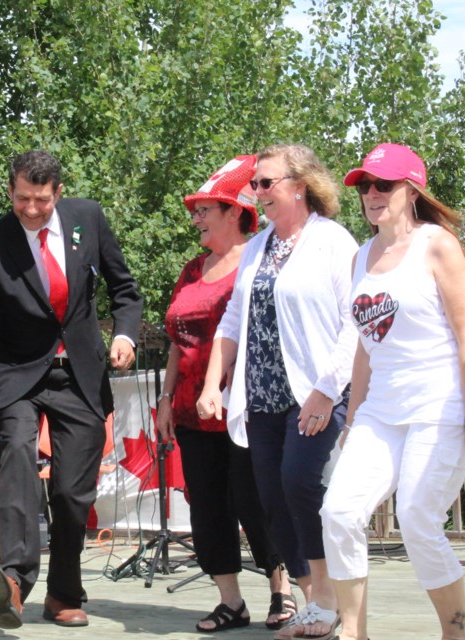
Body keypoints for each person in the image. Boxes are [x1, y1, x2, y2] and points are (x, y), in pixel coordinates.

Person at [0, 150, 143, 629]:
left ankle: (63, 593)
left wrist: (124, 335)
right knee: (15, 458)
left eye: (41, 200)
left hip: (79, 373)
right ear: (9, 190)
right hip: (17, 372)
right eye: (22, 199)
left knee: (74, 494)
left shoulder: (88, 218)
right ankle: (12, 581)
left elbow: (125, 290)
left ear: (58, 192)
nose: (31, 209)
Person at [196, 143, 358, 640]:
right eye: (256, 184)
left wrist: (327, 390)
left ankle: (331, 600)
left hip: (314, 392)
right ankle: (316, 604)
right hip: (260, 394)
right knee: (270, 500)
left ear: (300, 185)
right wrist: (212, 381)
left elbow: (355, 322)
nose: (257, 192)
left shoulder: (333, 241)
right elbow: (233, 318)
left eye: (267, 182)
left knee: (300, 485)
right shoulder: (259, 247)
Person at [320, 144, 465, 640]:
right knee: (339, 511)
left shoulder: (438, 245)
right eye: (364, 185)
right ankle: (353, 633)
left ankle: (457, 632)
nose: (371, 193)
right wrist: (352, 420)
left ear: (410, 190)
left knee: (416, 518)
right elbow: (368, 345)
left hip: (440, 407)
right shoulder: (361, 257)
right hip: (380, 412)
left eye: (383, 184)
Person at [156, 155, 292, 632]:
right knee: (207, 506)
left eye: (204, 209)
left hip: (244, 409)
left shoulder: (258, 262)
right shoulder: (193, 269)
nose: (195, 218)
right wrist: (165, 400)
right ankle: (231, 601)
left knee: (257, 502)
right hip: (192, 412)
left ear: (235, 212)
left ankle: (283, 591)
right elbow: (178, 340)